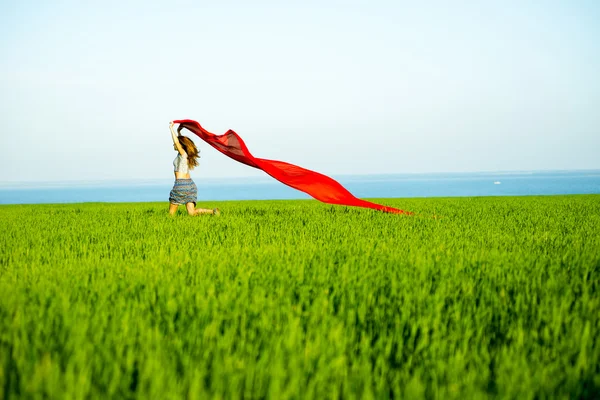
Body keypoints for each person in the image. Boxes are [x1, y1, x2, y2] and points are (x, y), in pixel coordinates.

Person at [168, 122, 220, 216]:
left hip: (180, 185)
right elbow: (179, 141)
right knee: (192, 213)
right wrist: (178, 131)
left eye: (175, 144)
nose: (173, 145)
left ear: (180, 145)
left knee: (171, 215)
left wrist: (171, 128)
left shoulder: (183, 154)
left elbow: (176, 142)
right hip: (190, 185)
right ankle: (213, 212)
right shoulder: (185, 155)